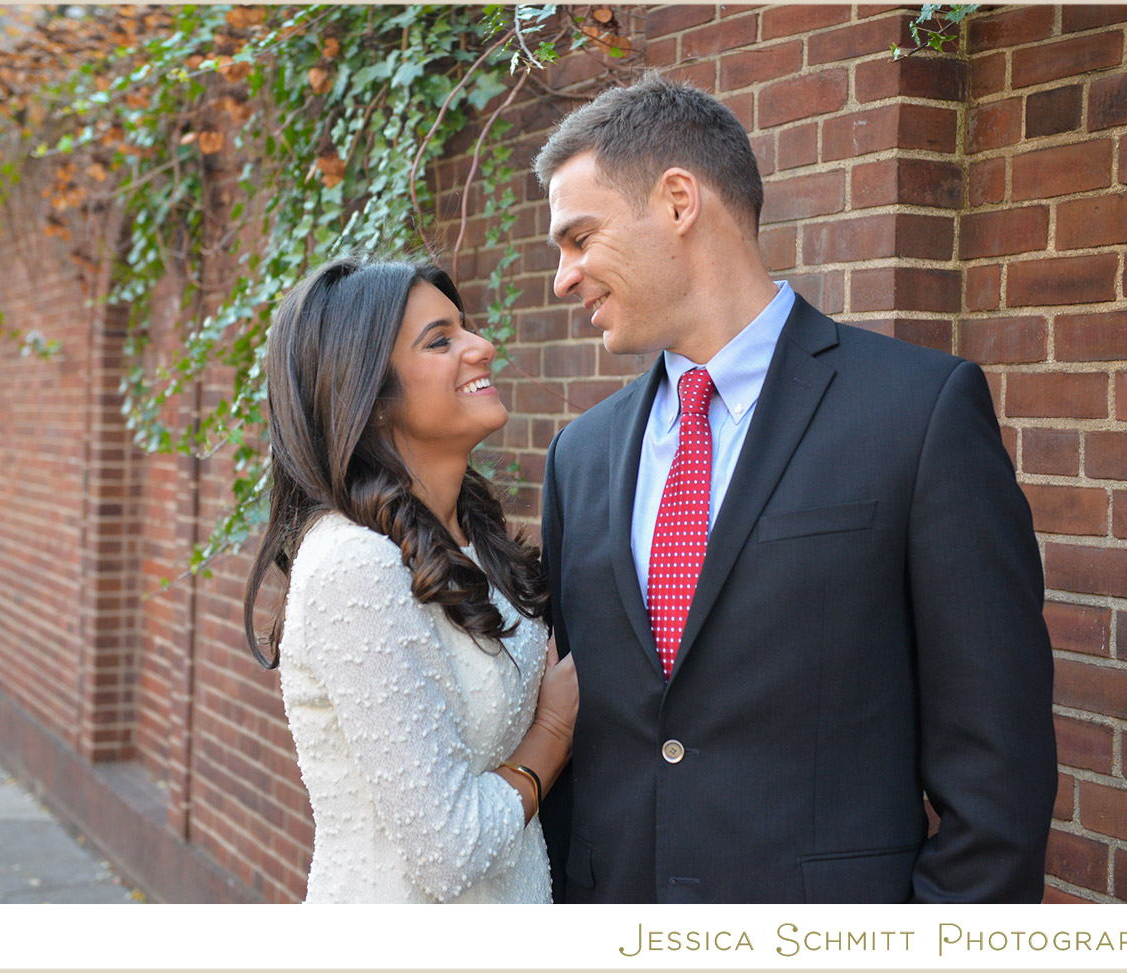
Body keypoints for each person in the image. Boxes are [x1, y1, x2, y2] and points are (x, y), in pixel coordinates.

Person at [534, 72, 1057, 904]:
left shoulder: (918, 413)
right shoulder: (581, 455)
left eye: (578, 237)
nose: (563, 277)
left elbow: (998, 764)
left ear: (678, 201)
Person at [242, 256, 577, 903]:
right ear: (369, 395)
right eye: (441, 340)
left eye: (466, 328)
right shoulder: (353, 565)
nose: (483, 347)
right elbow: (447, 850)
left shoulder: (474, 539)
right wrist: (554, 733)